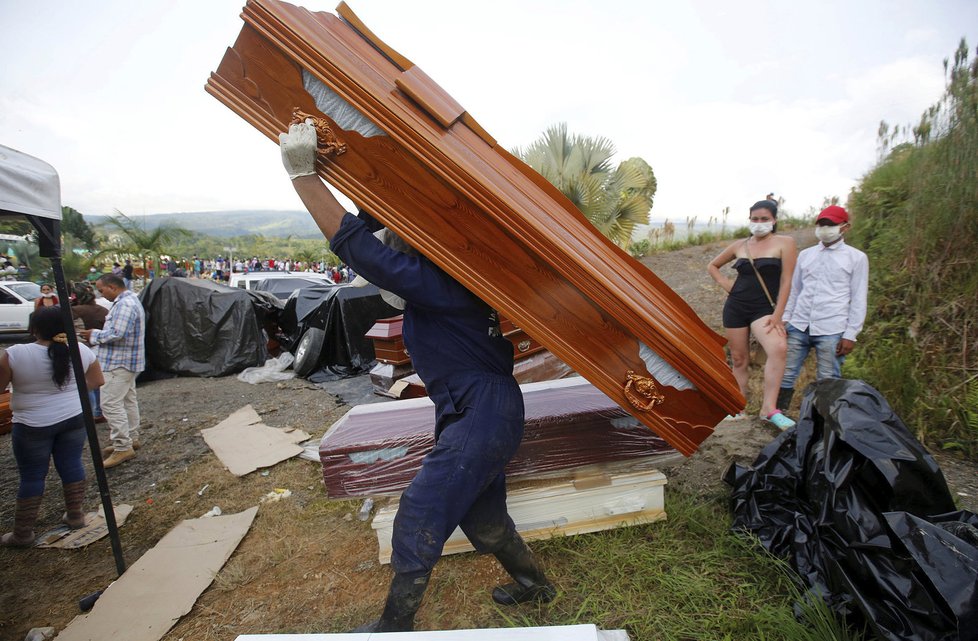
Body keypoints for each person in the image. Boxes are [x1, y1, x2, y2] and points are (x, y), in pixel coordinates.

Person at [279, 121, 555, 632]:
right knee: (484, 521)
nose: (393, 241)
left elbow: (363, 250)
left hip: (482, 410)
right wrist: (361, 180)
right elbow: (374, 232)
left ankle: (394, 627)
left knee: (420, 509)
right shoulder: (453, 283)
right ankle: (536, 586)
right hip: (475, 411)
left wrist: (305, 177)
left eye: (402, 237)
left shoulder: (447, 283)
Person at [0, 306, 104, 546]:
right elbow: (98, 380)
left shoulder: (15, 354)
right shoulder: (80, 350)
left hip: (32, 424)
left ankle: (23, 534)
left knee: (32, 475)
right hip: (74, 417)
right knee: (72, 463)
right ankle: (76, 515)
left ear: (34, 328)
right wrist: (68, 393)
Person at [708, 199, 797, 429]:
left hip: (764, 309)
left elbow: (787, 281)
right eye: (755, 219)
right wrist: (727, 285)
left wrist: (778, 315)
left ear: (774, 220)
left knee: (778, 348)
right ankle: (736, 407)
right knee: (738, 359)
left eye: (764, 219)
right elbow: (712, 266)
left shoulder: (785, 243)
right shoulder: (740, 245)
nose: (759, 223)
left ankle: (769, 409)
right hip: (736, 307)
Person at [777, 205, 869, 412]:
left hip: (832, 328)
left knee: (828, 378)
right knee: (786, 372)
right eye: (821, 224)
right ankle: (776, 415)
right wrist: (786, 318)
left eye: (830, 225)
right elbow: (795, 289)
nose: (825, 228)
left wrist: (851, 334)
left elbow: (858, 297)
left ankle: (821, 423)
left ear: (845, 227)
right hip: (799, 325)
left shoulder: (856, 258)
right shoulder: (806, 255)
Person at [78, 274, 145, 468]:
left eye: (102, 290)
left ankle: (122, 446)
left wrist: (94, 334)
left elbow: (118, 333)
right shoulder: (129, 301)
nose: (101, 294)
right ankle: (131, 437)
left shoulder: (125, 305)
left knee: (110, 403)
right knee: (127, 399)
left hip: (119, 363)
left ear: (112, 287)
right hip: (126, 362)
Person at [70, 282, 109, 424]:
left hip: (82, 348)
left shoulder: (74, 310)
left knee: (87, 383)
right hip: (100, 348)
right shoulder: (102, 309)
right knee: (98, 382)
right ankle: (99, 411)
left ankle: (91, 413)